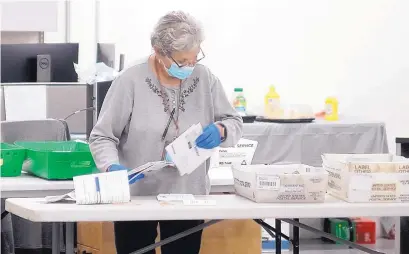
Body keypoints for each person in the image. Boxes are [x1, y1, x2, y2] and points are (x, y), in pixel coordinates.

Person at [89, 10, 243, 254]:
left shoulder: (205, 78)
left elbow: (234, 121)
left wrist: (221, 130)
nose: (190, 67)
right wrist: (111, 167)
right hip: (137, 198)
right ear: (158, 51)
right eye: (182, 61)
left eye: (195, 59)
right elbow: (102, 136)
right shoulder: (130, 80)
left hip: (187, 195)